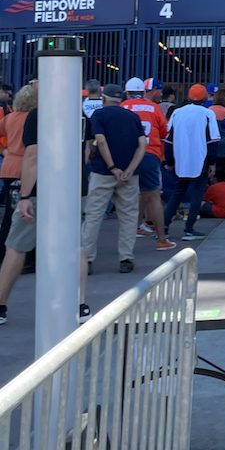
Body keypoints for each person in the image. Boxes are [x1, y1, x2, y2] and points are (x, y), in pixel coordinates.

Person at [0, 104, 90, 326]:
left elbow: (32, 155)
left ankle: (0, 304)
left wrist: (25, 196)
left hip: (42, 189)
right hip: (74, 187)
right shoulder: (78, 113)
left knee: (16, 246)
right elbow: (87, 151)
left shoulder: (40, 113)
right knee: (75, 245)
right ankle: (80, 304)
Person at [80, 84, 147, 275]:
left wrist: (112, 167)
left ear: (103, 98)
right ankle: (126, 258)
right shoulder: (132, 117)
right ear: (121, 99)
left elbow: (100, 141)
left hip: (103, 173)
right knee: (128, 216)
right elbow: (142, 144)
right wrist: (130, 169)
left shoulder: (99, 115)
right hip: (129, 175)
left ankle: (87, 259)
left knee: (93, 216)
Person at [122, 77, 175, 252]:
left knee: (125, 199)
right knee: (153, 197)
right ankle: (161, 240)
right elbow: (165, 132)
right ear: (143, 92)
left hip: (127, 156)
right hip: (150, 154)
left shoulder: (123, 106)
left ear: (127, 92)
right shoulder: (153, 108)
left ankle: (126, 244)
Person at [163, 85, 220, 242]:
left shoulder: (177, 112)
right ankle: (189, 229)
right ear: (204, 98)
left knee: (178, 192)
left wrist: (169, 160)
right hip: (200, 159)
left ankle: (164, 226)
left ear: (188, 97)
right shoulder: (207, 113)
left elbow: (169, 140)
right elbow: (212, 141)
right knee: (197, 193)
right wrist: (212, 162)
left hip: (181, 158)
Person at [0, 84, 36, 250]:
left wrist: (3, 150)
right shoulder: (34, 119)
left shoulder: (10, 117)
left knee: (10, 212)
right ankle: (22, 253)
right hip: (27, 168)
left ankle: (4, 251)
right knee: (26, 214)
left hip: (10, 167)